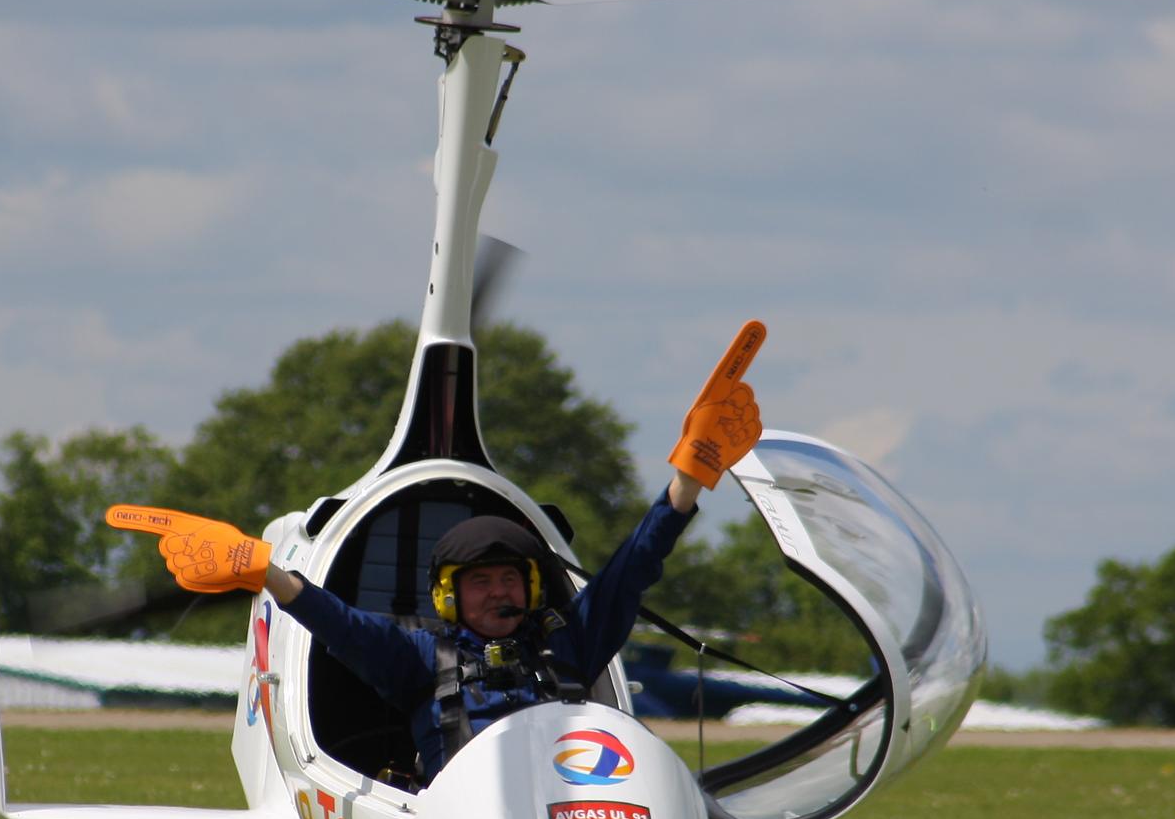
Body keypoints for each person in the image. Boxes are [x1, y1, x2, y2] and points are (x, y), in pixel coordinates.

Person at [107, 321, 766, 783]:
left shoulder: (568, 649)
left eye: (510, 578)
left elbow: (629, 573)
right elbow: (341, 624)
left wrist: (684, 487)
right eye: (480, 583)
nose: (500, 592)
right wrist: (267, 572)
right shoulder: (420, 657)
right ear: (450, 596)